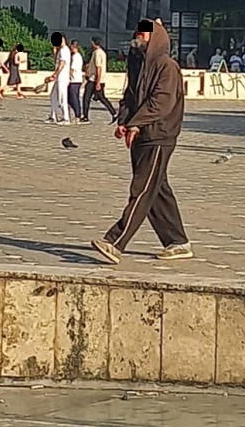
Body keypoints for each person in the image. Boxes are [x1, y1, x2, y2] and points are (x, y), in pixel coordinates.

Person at [91, 19, 192, 265]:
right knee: (157, 189)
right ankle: (177, 241)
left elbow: (161, 102)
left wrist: (136, 123)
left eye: (144, 34)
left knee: (142, 188)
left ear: (155, 38)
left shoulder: (167, 67)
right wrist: (124, 121)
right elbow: (130, 96)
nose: (139, 37)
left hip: (159, 135)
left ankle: (116, 242)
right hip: (140, 135)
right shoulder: (137, 64)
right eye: (137, 33)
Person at [81, 37, 117, 124]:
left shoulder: (97, 53)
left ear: (93, 43)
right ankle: (114, 113)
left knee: (87, 97)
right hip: (98, 79)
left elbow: (98, 68)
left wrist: (97, 82)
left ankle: (85, 117)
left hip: (94, 79)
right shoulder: (102, 52)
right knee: (101, 98)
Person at [46, 32, 71, 124]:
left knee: (62, 98)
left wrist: (55, 74)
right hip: (59, 77)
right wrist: (55, 51)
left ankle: (66, 118)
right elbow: (57, 62)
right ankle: (53, 116)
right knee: (53, 96)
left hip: (62, 77)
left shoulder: (64, 50)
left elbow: (62, 64)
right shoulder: (61, 50)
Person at [68, 40, 84, 122]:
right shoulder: (77, 56)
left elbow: (72, 69)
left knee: (74, 98)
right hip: (76, 80)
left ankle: (78, 114)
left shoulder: (76, 56)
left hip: (75, 80)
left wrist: (68, 76)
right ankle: (77, 113)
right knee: (70, 98)